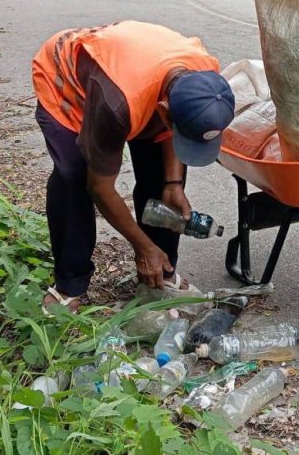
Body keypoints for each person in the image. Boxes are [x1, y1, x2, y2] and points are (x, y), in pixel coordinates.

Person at [31, 21, 235, 314]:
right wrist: (142, 246)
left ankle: (160, 272)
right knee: (73, 177)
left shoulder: (205, 79)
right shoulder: (116, 103)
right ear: (163, 112)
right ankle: (69, 283)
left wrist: (173, 185)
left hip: (141, 78)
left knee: (162, 177)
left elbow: (172, 131)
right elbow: (100, 187)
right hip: (69, 82)